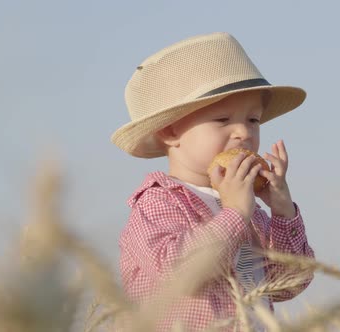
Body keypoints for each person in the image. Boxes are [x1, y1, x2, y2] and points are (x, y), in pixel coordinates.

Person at [111, 32, 315, 331]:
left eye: (253, 120)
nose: (243, 134)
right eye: (222, 120)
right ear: (170, 132)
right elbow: (178, 275)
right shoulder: (157, 202)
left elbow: (288, 285)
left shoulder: (251, 210)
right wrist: (234, 215)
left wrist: (283, 213)